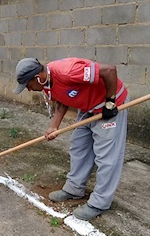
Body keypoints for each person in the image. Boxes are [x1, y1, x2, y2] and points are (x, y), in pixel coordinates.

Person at [14, 57, 129, 221]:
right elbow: (62, 100)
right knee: (79, 146)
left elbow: (109, 70)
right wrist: (54, 126)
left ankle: (100, 203)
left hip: (110, 105)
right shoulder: (47, 82)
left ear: (37, 77)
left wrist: (110, 103)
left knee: (107, 157)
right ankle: (74, 188)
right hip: (88, 106)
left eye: (28, 85)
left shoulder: (67, 72)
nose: (29, 90)